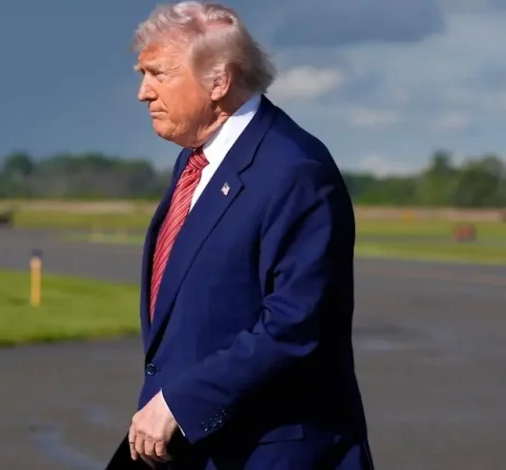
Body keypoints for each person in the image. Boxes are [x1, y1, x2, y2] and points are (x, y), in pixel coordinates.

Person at [115, 2, 375, 469]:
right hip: (193, 447)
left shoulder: (294, 170)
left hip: (270, 453)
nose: (142, 92)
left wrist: (180, 403)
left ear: (219, 81)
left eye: (158, 74)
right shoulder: (198, 159)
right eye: (143, 74)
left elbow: (296, 325)